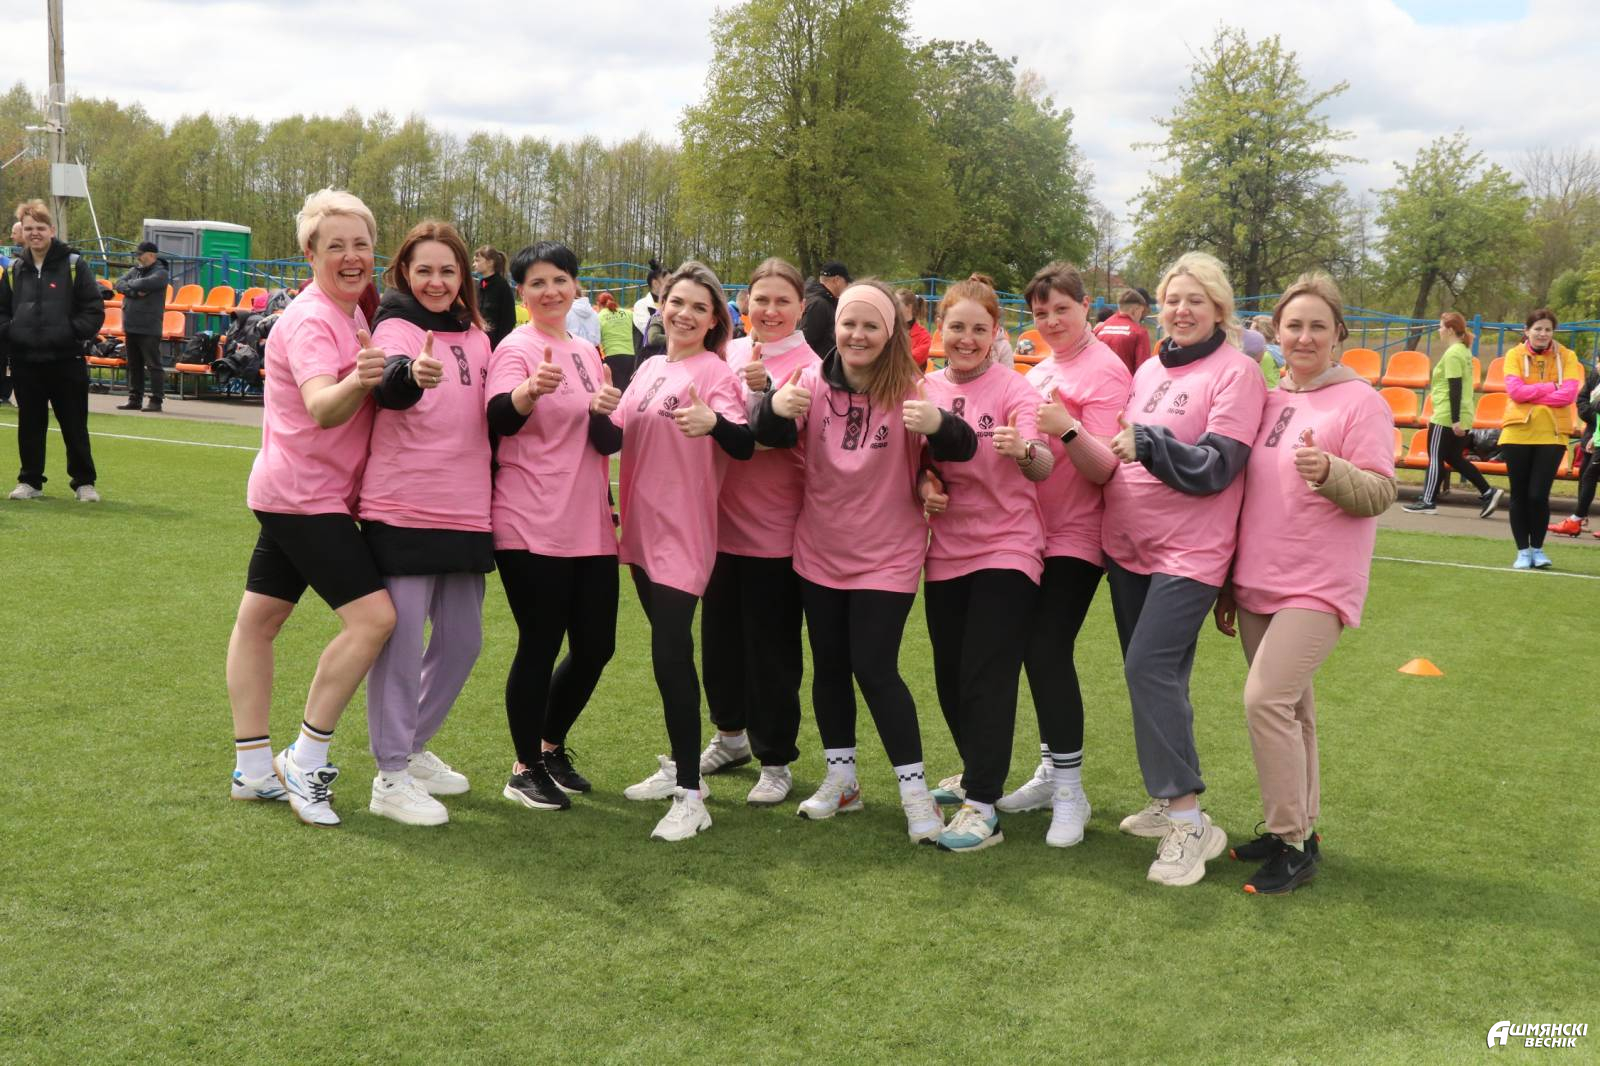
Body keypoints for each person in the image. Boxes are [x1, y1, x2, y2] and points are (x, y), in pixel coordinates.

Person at [755, 279, 977, 844]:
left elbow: (957, 449)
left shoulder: (912, 388)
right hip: (819, 550)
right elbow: (767, 433)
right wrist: (773, 406)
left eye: (870, 325)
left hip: (887, 555)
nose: (857, 334)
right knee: (829, 666)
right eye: (849, 323)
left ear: (889, 333)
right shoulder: (808, 381)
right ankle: (843, 781)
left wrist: (939, 431)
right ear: (835, 328)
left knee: (875, 668)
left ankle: (915, 794)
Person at [1215, 273, 1397, 894]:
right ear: (1278, 332)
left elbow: (1380, 491)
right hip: (1257, 579)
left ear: (1338, 334)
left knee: (1265, 700)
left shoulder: (1361, 402)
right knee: (1293, 709)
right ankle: (1297, 830)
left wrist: (1329, 471)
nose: (1304, 336)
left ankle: (1290, 843)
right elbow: (1244, 496)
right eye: (1294, 325)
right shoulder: (1268, 399)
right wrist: (1228, 583)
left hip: (1319, 585)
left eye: (1318, 326)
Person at [223, 188, 396, 827]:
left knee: (259, 622)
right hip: (303, 497)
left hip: (295, 491)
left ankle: (251, 768)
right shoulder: (313, 319)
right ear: (310, 254)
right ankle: (305, 756)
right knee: (374, 620)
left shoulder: (350, 313)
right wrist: (364, 377)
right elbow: (324, 406)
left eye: (361, 245)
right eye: (336, 246)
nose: (352, 257)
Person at [1103, 251, 1267, 886]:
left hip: (1190, 553)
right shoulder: (1148, 368)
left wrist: (1147, 444)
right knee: (1159, 677)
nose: (1181, 310)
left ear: (1219, 308)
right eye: (1173, 299)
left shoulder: (1237, 373)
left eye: (1195, 300)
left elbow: (1217, 466)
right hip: (1129, 545)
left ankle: (1189, 819)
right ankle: (1165, 796)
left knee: (1147, 667)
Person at [604, 261, 755, 842]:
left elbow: (743, 445)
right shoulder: (648, 367)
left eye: (698, 307)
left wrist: (713, 422)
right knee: (666, 656)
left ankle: (691, 795)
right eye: (676, 302)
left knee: (671, 655)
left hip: (683, 536)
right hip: (641, 532)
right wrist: (595, 405)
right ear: (660, 307)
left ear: (715, 319)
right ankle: (684, 770)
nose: (684, 314)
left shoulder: (716, 372)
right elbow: (612, 435)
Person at [988, 262, 1131, 847]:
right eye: (1041, 313)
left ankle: (1071, 790)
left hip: (1080, 534)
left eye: (1061, 309)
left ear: (1086, 305)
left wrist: (1067, 428)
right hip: (1030, 533)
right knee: (1030, 651)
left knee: (1047, 649)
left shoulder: (1108, 370)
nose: (1050, 321)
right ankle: (1052, 772)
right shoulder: (1041, 369)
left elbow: (1105, 469)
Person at [357, 220, 493, 826]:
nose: (436, 282)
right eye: (424, 271)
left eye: (447, 270)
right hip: (404, 507)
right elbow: (389, 384)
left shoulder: (479, 336)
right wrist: (411, 376)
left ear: (464, 276)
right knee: (403, 645)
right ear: (404, 274)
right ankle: (390, 774)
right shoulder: (395, 325)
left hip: (467, 509)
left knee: (463, 641)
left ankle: (411, 746)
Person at [914, 276, 1048, 853]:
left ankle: (983, 807)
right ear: (940, 330)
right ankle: (975, 772)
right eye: (957, 327)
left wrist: (1025, 451)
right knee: (950, 677)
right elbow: (915, 464)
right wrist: (926, 486)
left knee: (985, 676)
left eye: (978, 328)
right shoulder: (923, 388)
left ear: (996, 333)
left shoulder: (1016, 388)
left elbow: (1043, 464)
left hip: (1007, 548)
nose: (966, 339)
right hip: (946, 551)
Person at [486, 241, 619, 813]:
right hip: (530, 519)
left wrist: (606, 410)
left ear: (575, 286)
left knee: (596, 647)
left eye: (560, 280)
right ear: (521, 292)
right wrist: (527, 392)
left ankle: (550, 744)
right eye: (537, 283)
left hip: (590, 521)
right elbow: (499, 418)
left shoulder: (586, 350)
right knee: (540, 643)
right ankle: (525, 768)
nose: (550, 291)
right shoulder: (516, 347)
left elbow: (604, 441)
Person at [694, 257, 821, 806]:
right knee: (720, 643)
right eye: (760, 299)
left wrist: (764, 398)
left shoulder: (813, 366)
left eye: (782, 301)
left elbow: (783, 439)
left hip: (776, 527)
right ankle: (730, 737)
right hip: (718, 523)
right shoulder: (727, 351)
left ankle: (775, 758)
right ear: (744, 303)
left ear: (801, 307)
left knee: (771, 651)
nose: (770, 311)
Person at [1, 200, 104, 501]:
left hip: (66, 360)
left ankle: (84, 482)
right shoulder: (15, 269)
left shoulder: (74, 265)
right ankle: (30, 481)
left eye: (40, 227)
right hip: (26, 361)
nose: (34, 233)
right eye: (29, 228)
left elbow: (93, 309)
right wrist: (12, 332)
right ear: (22, 231)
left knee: (74, 424)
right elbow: (2, 310)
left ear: (52, 230)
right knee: (30, 425)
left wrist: (69, 333)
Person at [1500, 309, 1582, 569]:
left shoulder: (1567, 356)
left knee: (1538, 495)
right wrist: (1550, 387)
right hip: (1517, 432)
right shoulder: (1514, 355)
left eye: (1548, 329)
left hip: (1553, 434)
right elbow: (1515, 392)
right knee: (1519, 494)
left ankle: (1537, 548)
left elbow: (1568, 395)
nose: (1543, 334)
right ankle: (1522, 551)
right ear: (1527, 331)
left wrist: (1532, 393)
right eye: (1537, 329)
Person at [1402, 312, 1502, 518]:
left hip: (1447, 415)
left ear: (1449, 330)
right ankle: (1488, 491)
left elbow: (1455, 387)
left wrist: (1454, 419)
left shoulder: (1454, 353)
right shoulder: (1463, 351)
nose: (1439, 330)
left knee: (1436, 457)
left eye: (1441, 327)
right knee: (1454, 458)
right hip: (1460, 413)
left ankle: (1428, 501)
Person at [113, 241, 170, 413]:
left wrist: (130, 285)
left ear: (151, 255)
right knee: (134, 364)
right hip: (131, 324)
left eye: (140, 254)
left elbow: (146, 284)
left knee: (153, 365)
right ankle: (134, 399)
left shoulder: (161, 273)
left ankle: (156, 400)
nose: (138, 257)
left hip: (149, 326)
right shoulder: (136, 270)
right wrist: (134, 291)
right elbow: (118, 283)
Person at [1548, 361, 1600, 538]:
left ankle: (1575, 520)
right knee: (1586, 474)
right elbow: (1583, 401)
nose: (1597, 365)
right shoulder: (1595, 375)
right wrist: (1594, 430)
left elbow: (1597, 404)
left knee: (1590, 474)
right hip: (1594, 433)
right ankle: (1578, 519)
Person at [1095, 288, 1153, 374]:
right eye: (1141, 312)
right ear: (1135, 310)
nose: (1141, 316)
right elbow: (1143, 371)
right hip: (1126, 381)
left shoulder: (1099, 329)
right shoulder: (1139, 333)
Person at [800, 260, 850, 355]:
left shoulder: (822, 300)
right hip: (819, 362)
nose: (847, 286)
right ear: (836, 280)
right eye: (846, 282)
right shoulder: (819, 304)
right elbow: (807, 341)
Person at [473, 246, 517, 350]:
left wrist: (498, 345)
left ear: (490, 263)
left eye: (477, 261)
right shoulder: (478, 286)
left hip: (494, 345)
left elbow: (509, 320)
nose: (474, 264)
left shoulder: (502, 286)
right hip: (476, 343)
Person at [630, 258, 668, 354]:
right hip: (646, 358)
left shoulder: (669, 304)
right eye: (667, 282)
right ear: (655, 283)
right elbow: (650, 334)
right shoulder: (641, 305)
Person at [896, 289, 932, 369]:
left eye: (897, 304)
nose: (893, 306)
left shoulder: (924, 336)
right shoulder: (890, 330)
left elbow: (911, 361)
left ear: (909, 307)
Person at [1252, 315, 1284, 387]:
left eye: (1252, 331)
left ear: (1260, 333)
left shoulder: (1262, 355)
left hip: (1265, 390)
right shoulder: (1278, 351)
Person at [566, 281, 601, 346]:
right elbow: (597, 340)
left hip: (571, 349)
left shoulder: (566, 312)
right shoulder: (594, 313)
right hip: (590, 350)